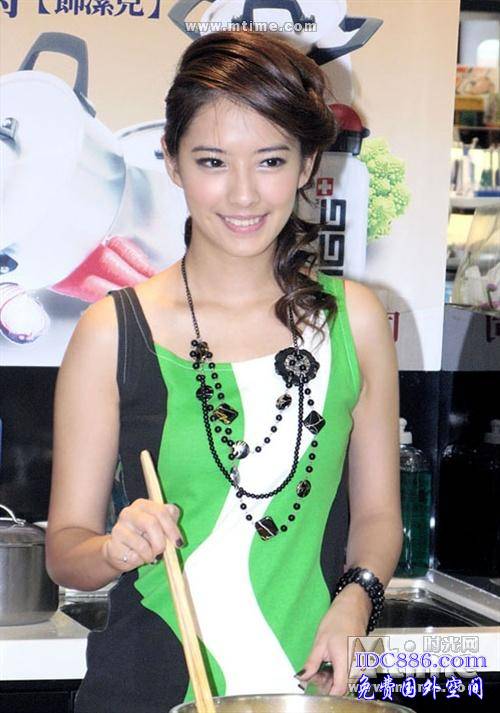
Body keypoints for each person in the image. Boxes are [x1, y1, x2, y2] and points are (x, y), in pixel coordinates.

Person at [46, 29, 402, 713]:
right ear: (172, 162)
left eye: (270, 160)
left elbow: (380, 513)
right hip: (147, 691)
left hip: (303, 691)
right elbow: (66, 549)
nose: (243, 194)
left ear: (306, 164)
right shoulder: (112, 332)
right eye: (212, 161)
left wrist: (357, 597)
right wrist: (116, 547)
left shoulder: (355, 322)